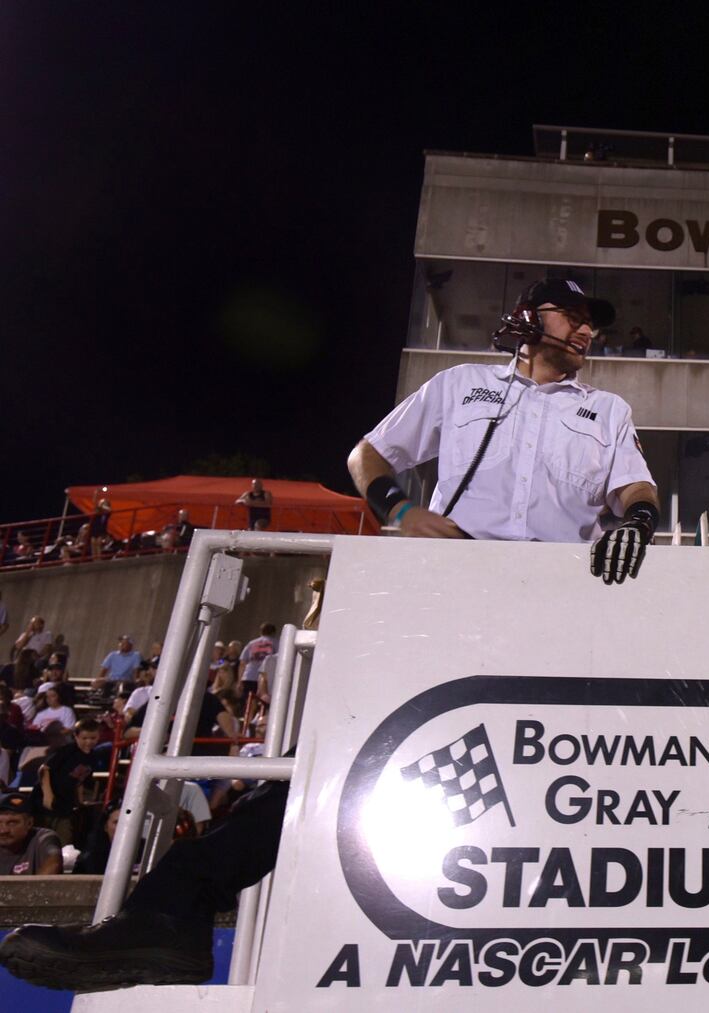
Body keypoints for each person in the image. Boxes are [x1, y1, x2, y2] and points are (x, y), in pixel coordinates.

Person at [0, 277, 662, 993]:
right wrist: (402, 511)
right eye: (577, 316)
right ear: (532, 317)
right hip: (440, 600)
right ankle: (169, 913)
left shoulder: (607, 409)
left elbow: (634, 487)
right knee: (337, 759)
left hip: (549, 619)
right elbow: (367, 457)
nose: (589, 331)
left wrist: (637, 519)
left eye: (597, 322)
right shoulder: (462, 386)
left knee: (552, 780)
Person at [33, 720, 100, 846]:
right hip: (46, 801)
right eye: (84, 738)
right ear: (76, 736)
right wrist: (48, 796)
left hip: (66, 803)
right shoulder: (67, 751)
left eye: (93, 738)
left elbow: (80, 780)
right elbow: (44, 769)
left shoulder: (93, 757)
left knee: (64, 840)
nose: (89, 742)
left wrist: (80, 802)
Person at [0, 794, 62, 876]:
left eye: (12, 823)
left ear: (29, 823)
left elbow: (54, 863)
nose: (3, 830)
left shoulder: (42, 837)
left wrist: (31, 888)